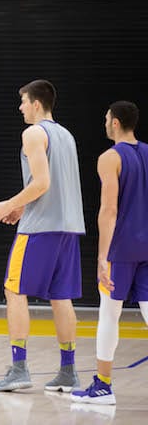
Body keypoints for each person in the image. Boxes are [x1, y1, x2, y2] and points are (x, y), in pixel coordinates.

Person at [0, 79, 85, 392]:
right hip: (68, 227)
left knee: (14, 291)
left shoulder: (33, 132)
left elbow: (42, 183)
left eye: (23, 102)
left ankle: (18, 368)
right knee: (61, 297)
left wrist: (8, 204)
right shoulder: (66, 135)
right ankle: (68, 371)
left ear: (36, 104)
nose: (20, 108)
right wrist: (22, 208)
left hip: (40, 229)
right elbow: (54, 185)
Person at [72, 101, 148, 405]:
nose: (104, 122)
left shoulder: (110, 157)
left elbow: (109, 209)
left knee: (109, 314)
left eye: (106, 118)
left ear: (115, 122)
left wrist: (102, 257)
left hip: (122, 246)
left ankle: (102, 385)